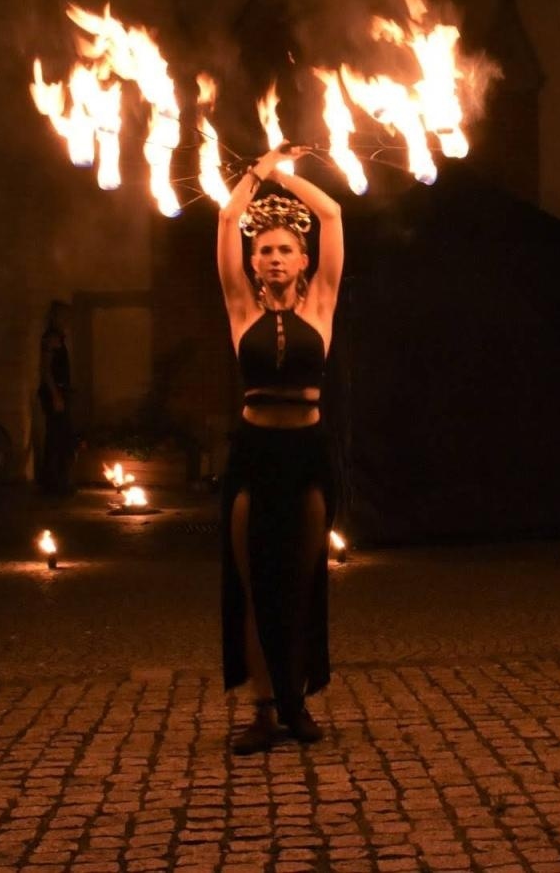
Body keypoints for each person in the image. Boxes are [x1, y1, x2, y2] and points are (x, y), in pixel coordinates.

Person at [217, 145, 344, 755]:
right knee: (251, 580)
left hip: (308, 455)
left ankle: (296, 701)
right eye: (263, 249)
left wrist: (286, 172)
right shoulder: (240, 308)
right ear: (253, 260)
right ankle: (263, 710)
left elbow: (334, 213)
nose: (272, 257)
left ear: (303, 260)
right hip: (254, 453)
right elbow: (225, 219)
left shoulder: (320, 306)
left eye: (284, 249)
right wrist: (254, 171)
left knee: (300, 577)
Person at [37, 301, 76, 495]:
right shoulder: (51, 338)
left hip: (61, 391)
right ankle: (53, 482)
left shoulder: (59, 338)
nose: (67, 320)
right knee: (56, 436)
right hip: (55, 392)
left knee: (60, 436)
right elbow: (46, 370)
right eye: (64, 316)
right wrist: (55, 395)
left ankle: (57, 481)